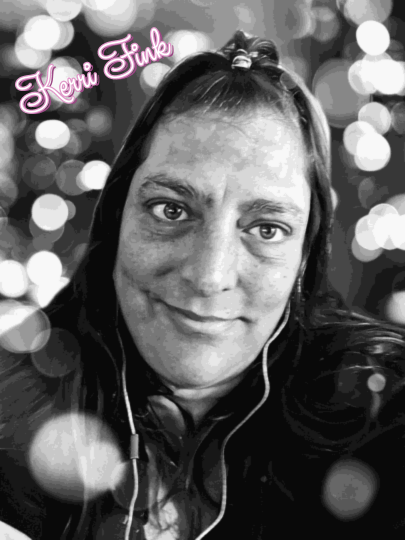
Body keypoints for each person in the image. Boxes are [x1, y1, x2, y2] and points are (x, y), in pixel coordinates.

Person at [1, 29, 405, 540]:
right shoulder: (11, 412)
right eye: (171, 210)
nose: (210, 276)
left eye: (266, 229)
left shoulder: (385, 417)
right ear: (116, 218)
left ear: (304, 256)